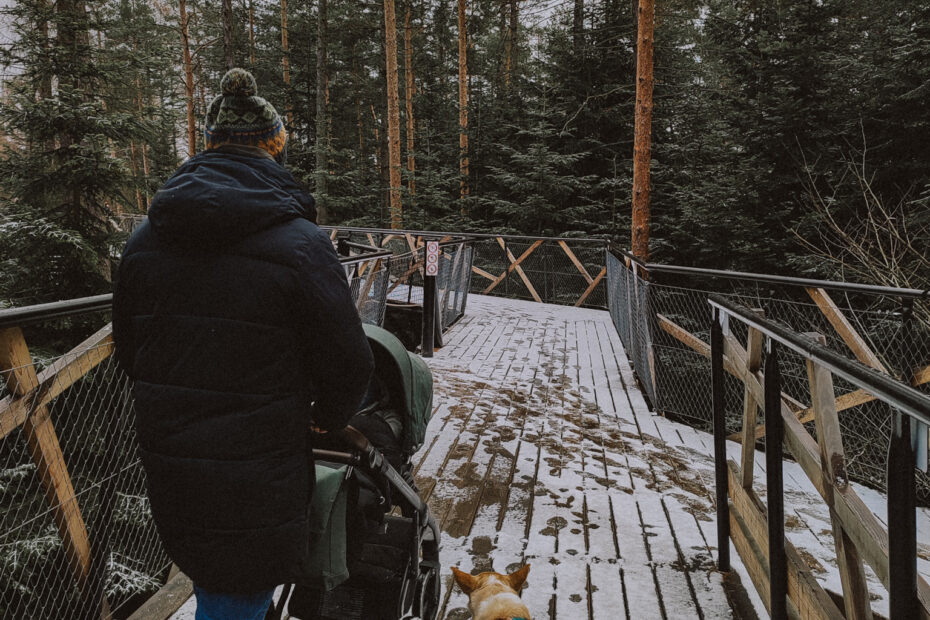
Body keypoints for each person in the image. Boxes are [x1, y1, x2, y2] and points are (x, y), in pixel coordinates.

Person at [112, 68, 374, 620]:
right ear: (273, 148)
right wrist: (328, 418)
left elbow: (131, 352)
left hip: (173, 450)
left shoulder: (144, 241)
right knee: (241, 586)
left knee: (215, 574)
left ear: (208, 145)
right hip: (260, 457)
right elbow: (348, 359)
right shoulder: (301, 245)